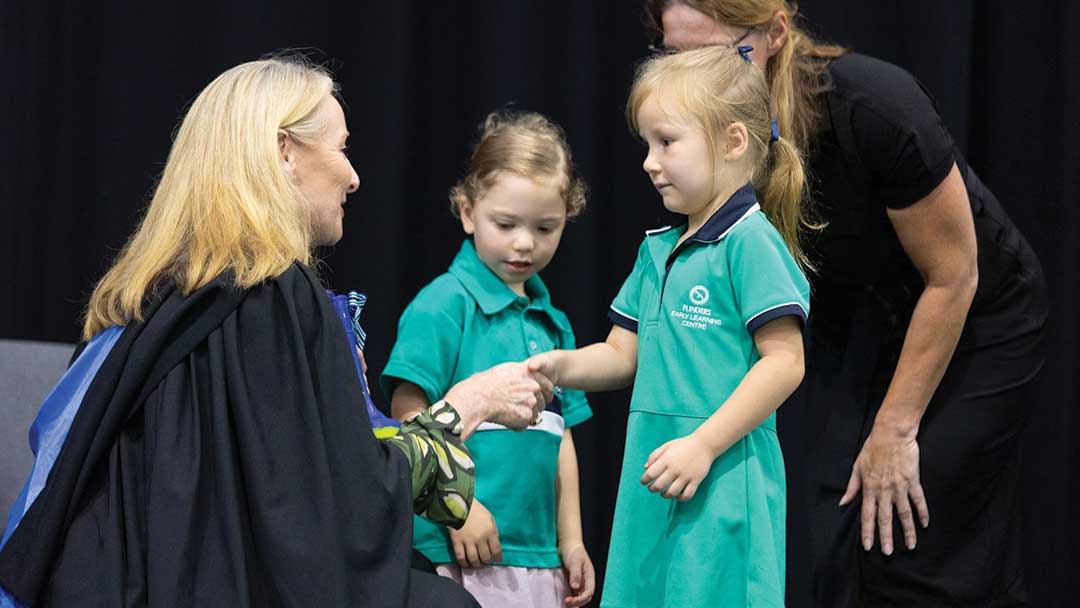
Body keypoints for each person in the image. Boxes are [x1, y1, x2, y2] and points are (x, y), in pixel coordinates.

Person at [0, 56, 554, 608]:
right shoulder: (269, 293)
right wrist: (466, 405)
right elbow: (343, 499)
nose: (354, 176)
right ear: (285, 153)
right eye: (340, 148)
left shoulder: (147, 296)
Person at [647, 1, 1048, 605]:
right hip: (861, 316)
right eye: (679, 58)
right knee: (834, 521)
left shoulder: (876, 107)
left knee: (912, 524)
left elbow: (954, 275)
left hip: (976, 316)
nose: (696, 79)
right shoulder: (715, 138)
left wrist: (895, 427)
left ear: (777, 32)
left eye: (721, 55)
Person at [530, 47, 810, 607]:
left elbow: (785, 363)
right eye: (647, 144)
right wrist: (560, 365)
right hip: (654, 478)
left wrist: (704, 445)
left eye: (667, 142)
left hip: (722, 479)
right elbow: (621, 354)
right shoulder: (657, 250)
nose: (649, 162)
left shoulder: (750, 243)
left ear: (733, 141)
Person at [381, 111, 596, 608]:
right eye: (506, 224)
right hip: (459, 550)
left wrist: (572, 541)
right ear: (467, 212)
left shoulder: (554, 323)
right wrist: (458, 508)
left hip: (537, 556)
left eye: (546, 227)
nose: (525, 242)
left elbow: (561, 439)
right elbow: (407, 416)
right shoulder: (442, 305)